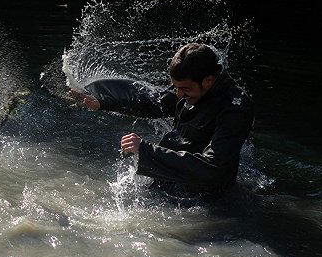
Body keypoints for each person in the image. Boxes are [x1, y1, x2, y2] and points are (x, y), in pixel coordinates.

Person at [68, 43, 254, 197]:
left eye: (185, 90)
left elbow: (213, 170)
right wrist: (102, 103)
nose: (179, 95)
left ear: (208, 80)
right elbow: (155, 102)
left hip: (206, 201)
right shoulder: (193, 89)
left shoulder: (234, 109)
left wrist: (147, 150)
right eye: (176, 87)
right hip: (175, 180)